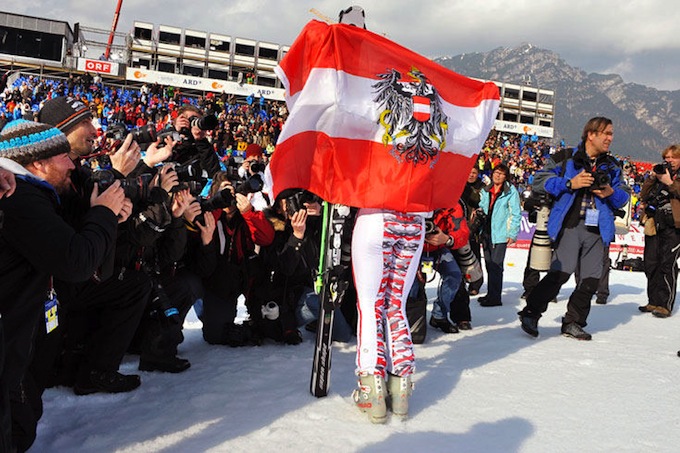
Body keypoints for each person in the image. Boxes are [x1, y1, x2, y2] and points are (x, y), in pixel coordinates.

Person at [0, 120, 124, 452]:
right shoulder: (19, 197)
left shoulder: (29, 192)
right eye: (63, 157)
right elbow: (75, 261)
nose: (72, 164)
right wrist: (103, 216)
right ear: (37, 163)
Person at [518, 117, 629, 340]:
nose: (610, 138)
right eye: (606, 133)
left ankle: (574, 322)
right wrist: (570, 183)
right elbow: (539, 181)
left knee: (591, 279)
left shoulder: (613, 166)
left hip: (598, 228)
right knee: (560, 273)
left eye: (611, 133)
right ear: (591, 134)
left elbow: (624, 195)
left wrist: (611, 193)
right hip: (570, 224)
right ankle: (531, 312)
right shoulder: (566, 158)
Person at [638, 144, 680, 318]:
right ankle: (653, 301)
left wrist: (670, 182)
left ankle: (665, 304)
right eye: (666, 157)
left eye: (673, 157)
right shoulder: (660, 174)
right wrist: (653, 177)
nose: (669, 161)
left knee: (667, 263)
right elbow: (643, 194)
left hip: (675, 226)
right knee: (651, 263)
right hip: (655, 223)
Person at [478, 163, 521, 306]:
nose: (498, 175)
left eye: (502, 173)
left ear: (506, 176)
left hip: (500, 233)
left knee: (496, 265)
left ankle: (495, 297)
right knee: (489, 264)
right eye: (496, 172)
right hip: (486, 232)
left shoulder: (511, 191)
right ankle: (491, 293)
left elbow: (515, 213)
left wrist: (512, 233)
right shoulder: (486, 189)